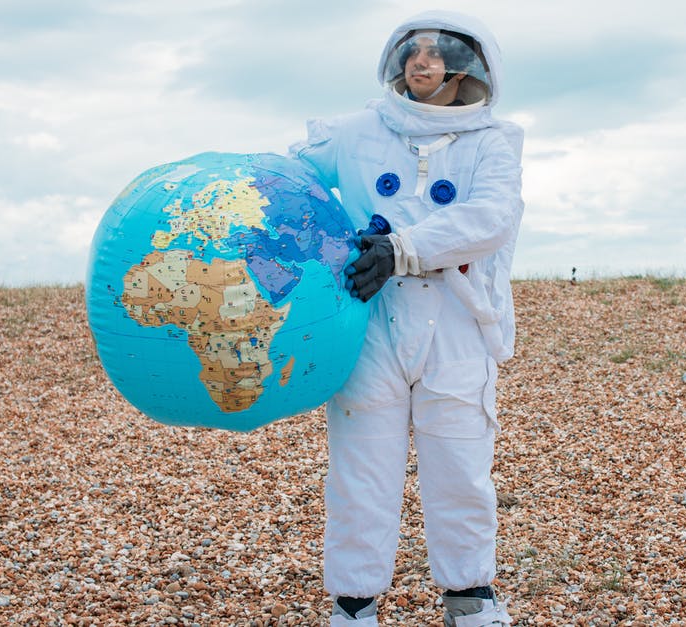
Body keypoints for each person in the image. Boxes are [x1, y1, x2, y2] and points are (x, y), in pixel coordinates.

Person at [290, 10, 523, 627]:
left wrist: (402, 248)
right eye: (412, 50)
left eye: (439, 50)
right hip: (371, 323)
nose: (422, 62)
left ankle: (470, 596)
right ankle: (354, 603)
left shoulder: (493, 141)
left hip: (456, 322)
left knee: (461, 467)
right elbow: (289, 175)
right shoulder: (360, 131)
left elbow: (491, 218)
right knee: (361, 469)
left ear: (468, 63)